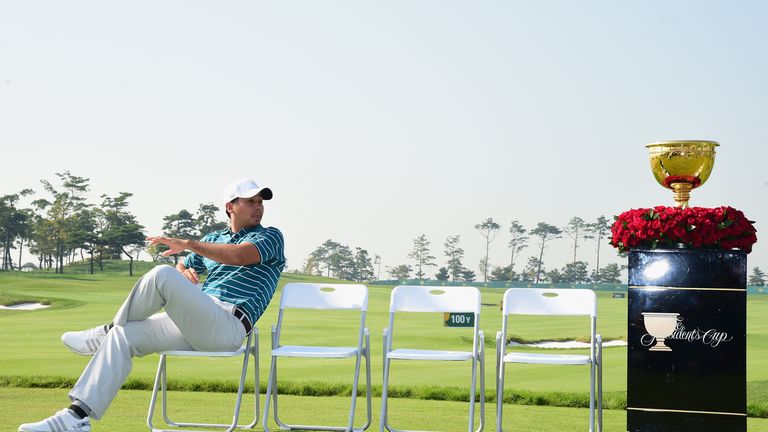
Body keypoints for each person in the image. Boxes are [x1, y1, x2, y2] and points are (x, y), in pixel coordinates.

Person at [19, 177, 285, 432]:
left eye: (260, 201)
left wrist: (188, 246)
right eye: (250, 201)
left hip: (228, 325)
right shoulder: (214, 239)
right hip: (197, 320)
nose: (258, 206)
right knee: (124, 336)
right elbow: (185, 263)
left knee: (160, 274)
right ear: (230, 206)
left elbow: (239, 256)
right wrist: (182, 269)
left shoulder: (271, 237)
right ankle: (75, 418)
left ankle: (106, 330)